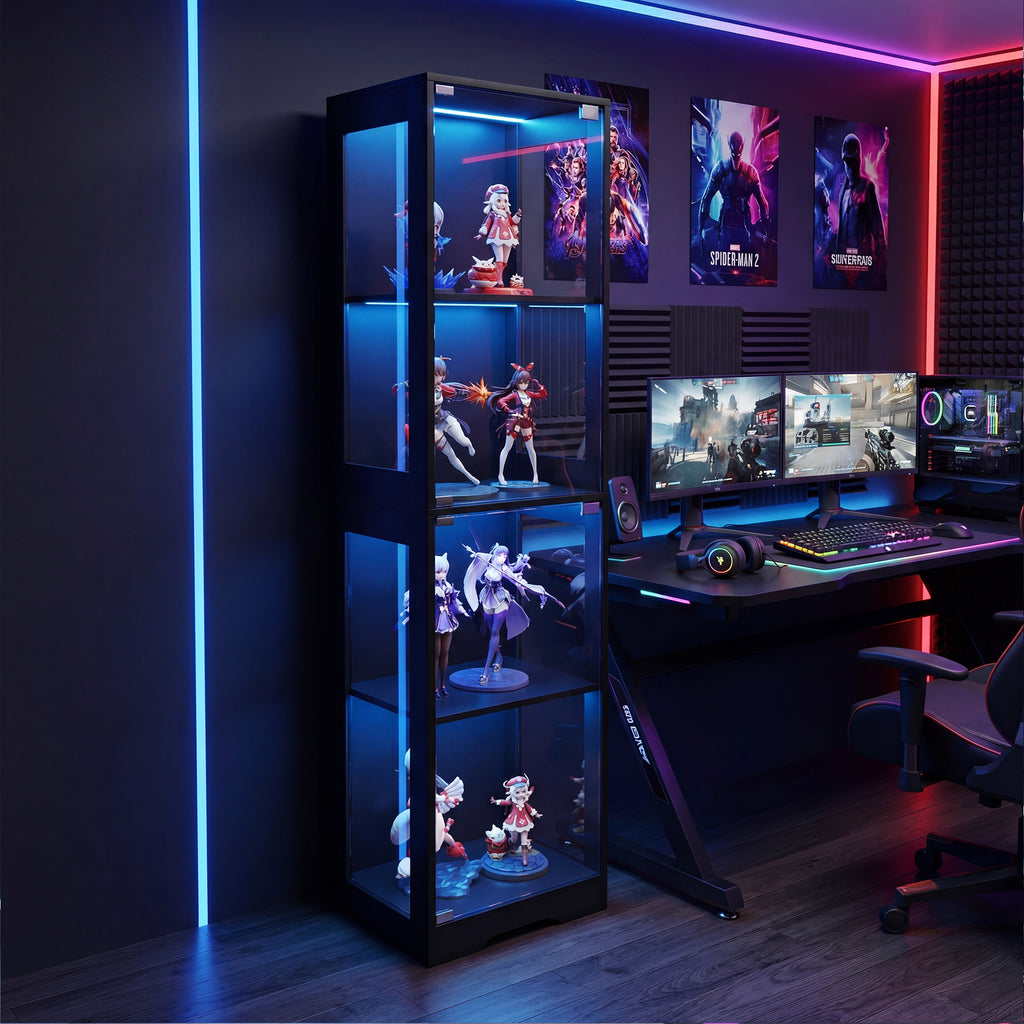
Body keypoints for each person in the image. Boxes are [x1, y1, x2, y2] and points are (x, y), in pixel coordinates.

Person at [462, 543, 560, 684]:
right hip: (487, 599)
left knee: (494, 633)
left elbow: (518, 583)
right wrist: (476, 557)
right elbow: (479, 558)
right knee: (491, 633)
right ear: (495, 554)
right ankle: (499, 656)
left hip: (501, 600)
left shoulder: (504, 569)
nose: (502, 558)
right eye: (500, 555)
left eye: (505, 556)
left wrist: (544, 594)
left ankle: (486, 670)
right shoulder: (487, 562)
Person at [697, 130, 769, 254]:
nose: (736, 146)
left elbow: (763, 204)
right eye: (733, 142)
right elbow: (706, 200)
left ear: (742, 145)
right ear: (729, 145)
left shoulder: (750, 173)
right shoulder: (720, 169)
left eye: (738, 142)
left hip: (743, 226)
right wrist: (701, 231)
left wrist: (767, 232)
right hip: (726, 226)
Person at [835, 132, 887, 288]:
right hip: (844, 267)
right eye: (847, 161)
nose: (850, 167)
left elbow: (878, 231)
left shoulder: (867, 187)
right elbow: (841, 231)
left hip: (863, 268)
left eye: (853, 161)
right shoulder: (842, 191)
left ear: (858, 160)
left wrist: (881, 268)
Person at [487, 362, 548, 485]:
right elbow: (501, 401)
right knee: (507, 447)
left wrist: (538, 385)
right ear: (516, 382)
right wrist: (510, 410)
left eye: (526, 382)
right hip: (515, 421)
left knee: (530, 448)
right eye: (521, 382)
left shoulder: (529, 394)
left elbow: (542, 394)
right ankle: (500, 474)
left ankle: (535, 474)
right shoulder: (515, 394)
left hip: (527, 421)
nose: (524, 385)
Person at [490, 775, 542, 866]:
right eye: (517, 792)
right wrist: (495, 801)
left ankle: (524, 858)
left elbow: (530, 809)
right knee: (514, 839)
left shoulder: (525, 802)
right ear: (512, 792)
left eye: (523, 791)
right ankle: (512, 844)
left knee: (524, 842)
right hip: (513, 823)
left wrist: (536, 814)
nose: (521, 794)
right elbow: (505, 802)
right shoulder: (512, 802)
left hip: (525, 823)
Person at [475, 183, 521, 286]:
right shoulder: (492, 214)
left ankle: (497, 276)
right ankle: (499, 279)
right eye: (499, 201)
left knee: (505, 260)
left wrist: (518, 215)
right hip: (496, 237)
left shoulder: (507, 214)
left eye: (505, 201)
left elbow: (513, 222)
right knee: (499, 258)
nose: (502, 204)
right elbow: (486, 224)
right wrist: (482, 232)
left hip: (509, 237)